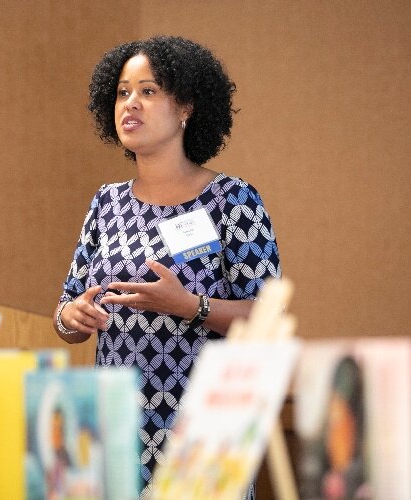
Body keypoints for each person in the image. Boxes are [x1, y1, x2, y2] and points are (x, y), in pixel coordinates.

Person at [53, 35, 280, 498]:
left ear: (186, 108)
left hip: (205, 433)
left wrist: (188, 305)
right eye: (122, 92)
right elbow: (65, 315)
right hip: (115, 431)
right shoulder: (106, 203)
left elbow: (266, 318)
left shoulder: (233, 201)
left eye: (148, 91)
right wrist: (72, 316)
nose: (130, 103)